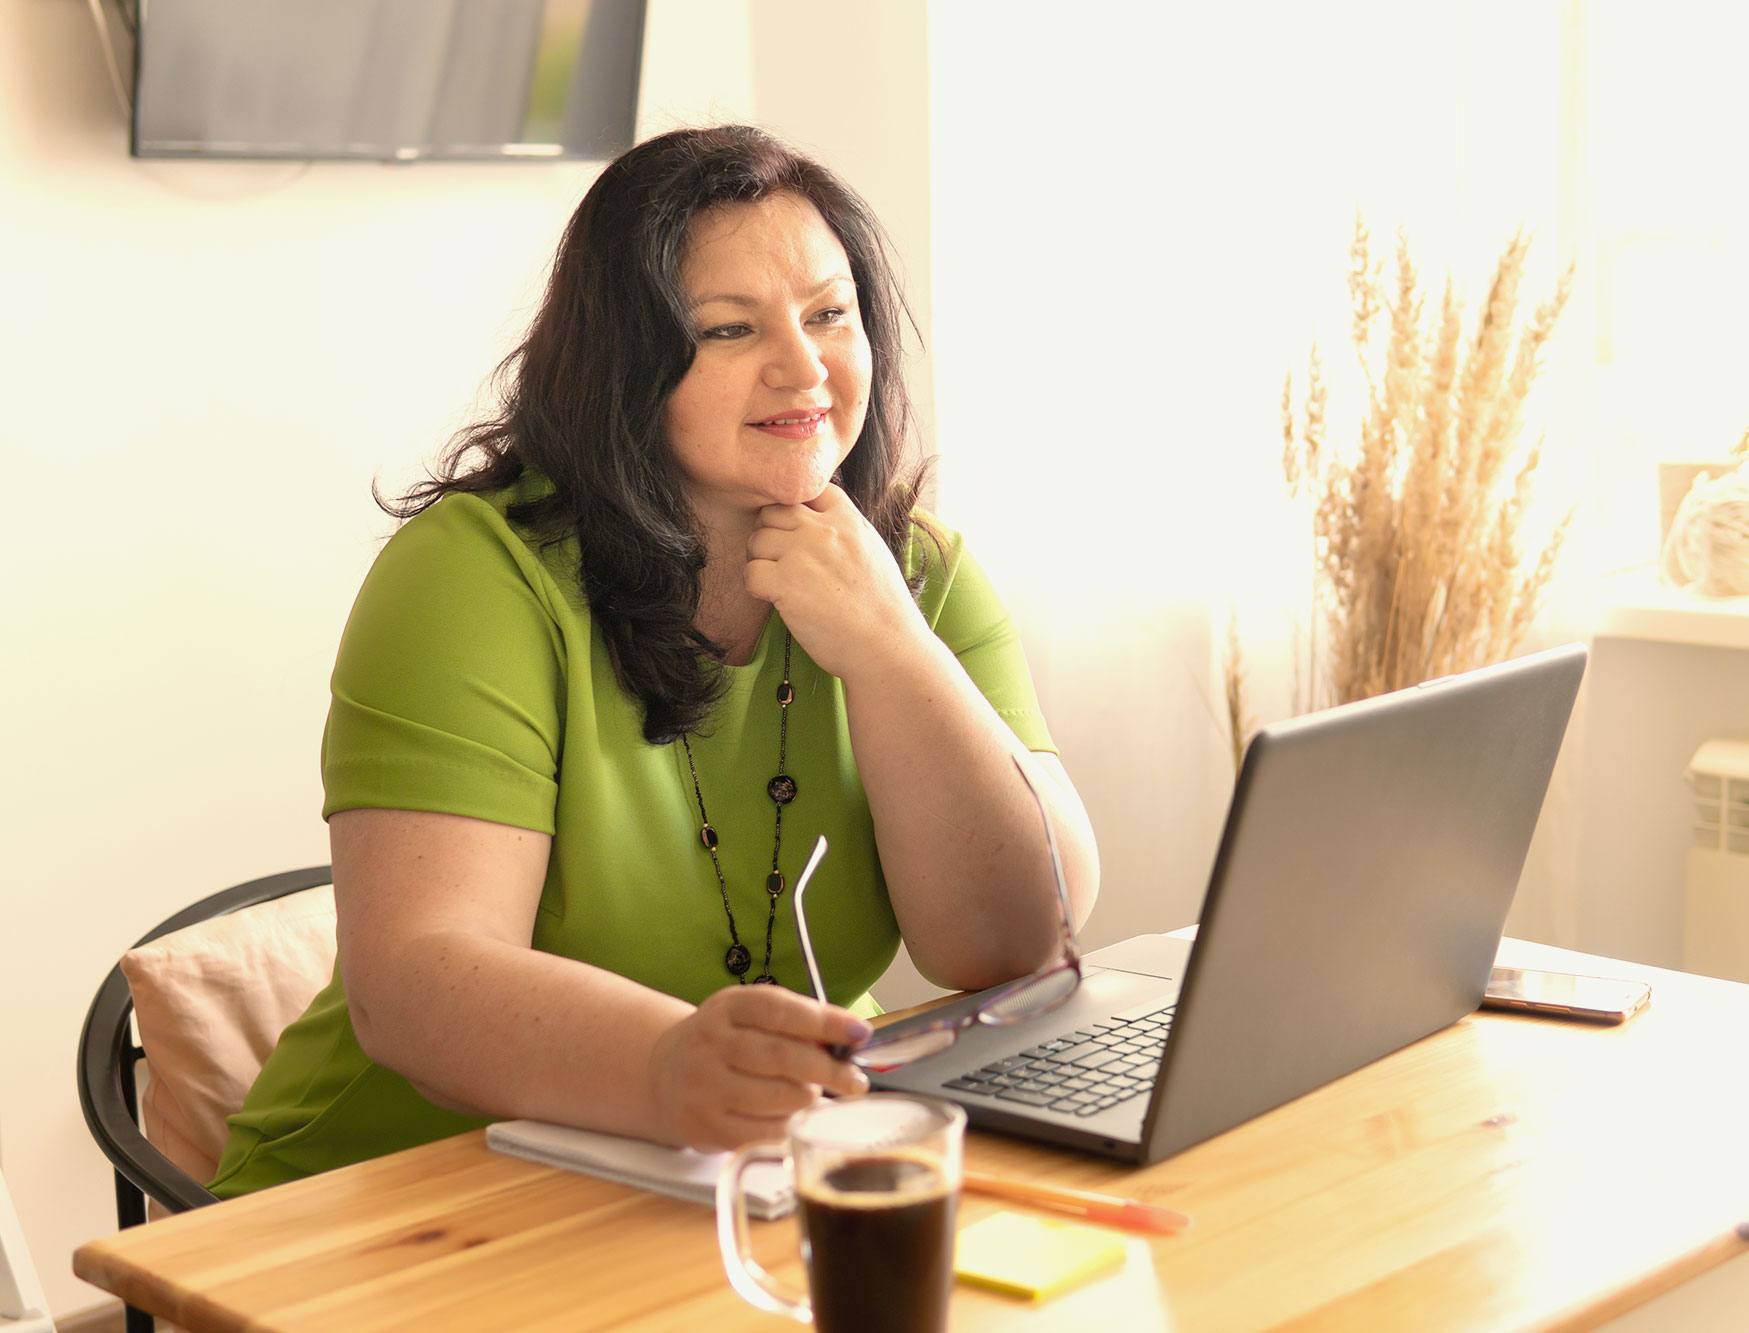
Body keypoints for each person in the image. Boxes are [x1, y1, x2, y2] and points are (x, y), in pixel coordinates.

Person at [210, 125, 1099, 1197]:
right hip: (403, 1193)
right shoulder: (471, 577)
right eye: (729, 329)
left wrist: (889, 646)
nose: (804, 365)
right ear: (625, 363)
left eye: (830, 313)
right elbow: (413, 981)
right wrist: (667, 1065)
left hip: (745, 1175)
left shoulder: (916, 572)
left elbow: (1016, 938)